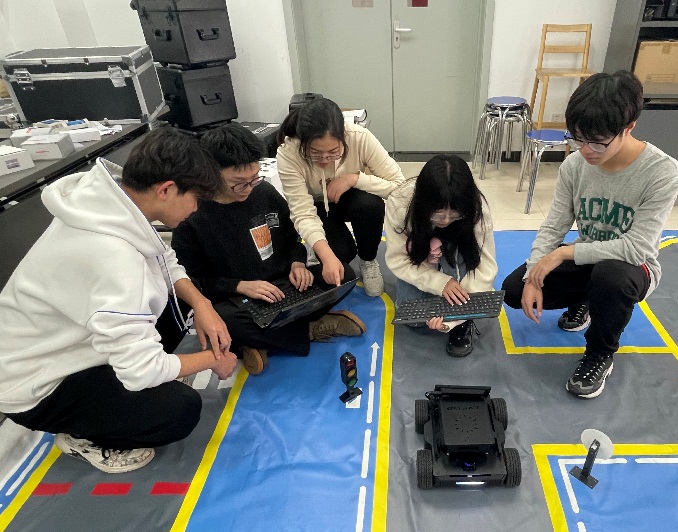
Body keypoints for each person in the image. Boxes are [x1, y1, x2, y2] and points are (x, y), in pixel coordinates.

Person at [0, 126, 238, 473]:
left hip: (53, 342)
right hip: (33, 385)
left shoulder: (109, 203)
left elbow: (163, 259)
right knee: (178, 411)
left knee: (181, 298)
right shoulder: (117, 263)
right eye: (195, 198)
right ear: (166, 189)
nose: (196, 209)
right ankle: (82, 438)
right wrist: (212, 359)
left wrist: (203, 304)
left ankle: (116, 386)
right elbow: (142, 372)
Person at [502, 70, 678, 398]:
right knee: (514, 290)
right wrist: (532, 275)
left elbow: (637, 248)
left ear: (629, 127)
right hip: (588, 258)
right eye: (578, 139)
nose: (586, 150)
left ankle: (600, 354)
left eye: (598, 141)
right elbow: (553, 226)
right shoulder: (574, 166)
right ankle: (585, 299)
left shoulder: (662, 171)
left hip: (630, 268)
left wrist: (563, 253)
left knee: (610, 277)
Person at [172, 123, 366, 376]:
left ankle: (259, 342)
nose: (249, 188)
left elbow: (292, 237)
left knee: (343, 274)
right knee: (221, 320)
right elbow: (193, 280)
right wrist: (240, 286)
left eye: (254, 178)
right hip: (239, 299)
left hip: (284, 284)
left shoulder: (263, 192)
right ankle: (310, 329)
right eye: (238, 183)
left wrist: (297, 263)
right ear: (211, 174)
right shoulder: (191, 214)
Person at [276, 98, 405, 297]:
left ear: (344, 138)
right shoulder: (289, 153)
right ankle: (315, 248)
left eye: (333, 152)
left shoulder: (359, 137)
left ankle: (368, 260)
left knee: (370, 205)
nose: (324, 160)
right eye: (314, 153)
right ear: (303, 142)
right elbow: (302, 212)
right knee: (342, 254)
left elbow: (400, 187)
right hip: (317, 207)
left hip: (350, 199)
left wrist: (354, 179)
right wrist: (327, 256)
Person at [385, 155, 497, 357]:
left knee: (453, 309)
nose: (445, 220)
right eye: (437, 214)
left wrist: (455, 317)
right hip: (420, 256)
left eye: (455, 214)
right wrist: (439, 283)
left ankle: (464, 321)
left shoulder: (476, 208)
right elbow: (398, 259)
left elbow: (486, 267)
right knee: (415, 320)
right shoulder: (399, 204)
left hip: (456, 252)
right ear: (423, 203)